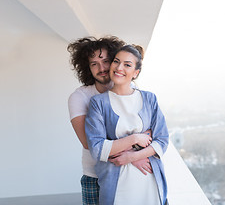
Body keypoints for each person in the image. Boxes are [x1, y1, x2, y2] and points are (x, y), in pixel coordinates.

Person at [67, 37, 153, 205]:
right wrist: (134, 152)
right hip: (96, 176)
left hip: (130, 173)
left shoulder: (134, 91)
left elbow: (150, 132)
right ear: (87, 68)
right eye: (94, 64)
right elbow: (89, 143)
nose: (101, 68)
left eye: (106, 61)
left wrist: (132, 156)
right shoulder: (79, 97)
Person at [85, 44, 169, 205]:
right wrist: (135, 138)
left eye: (127, 65)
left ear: (135, 73)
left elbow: (162, 139)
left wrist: (132, 156)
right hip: (116, 184)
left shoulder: (149, 99)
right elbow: (97, 148)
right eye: (116, 62)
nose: (119, 68)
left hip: (148, 180)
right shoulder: (98, 103)